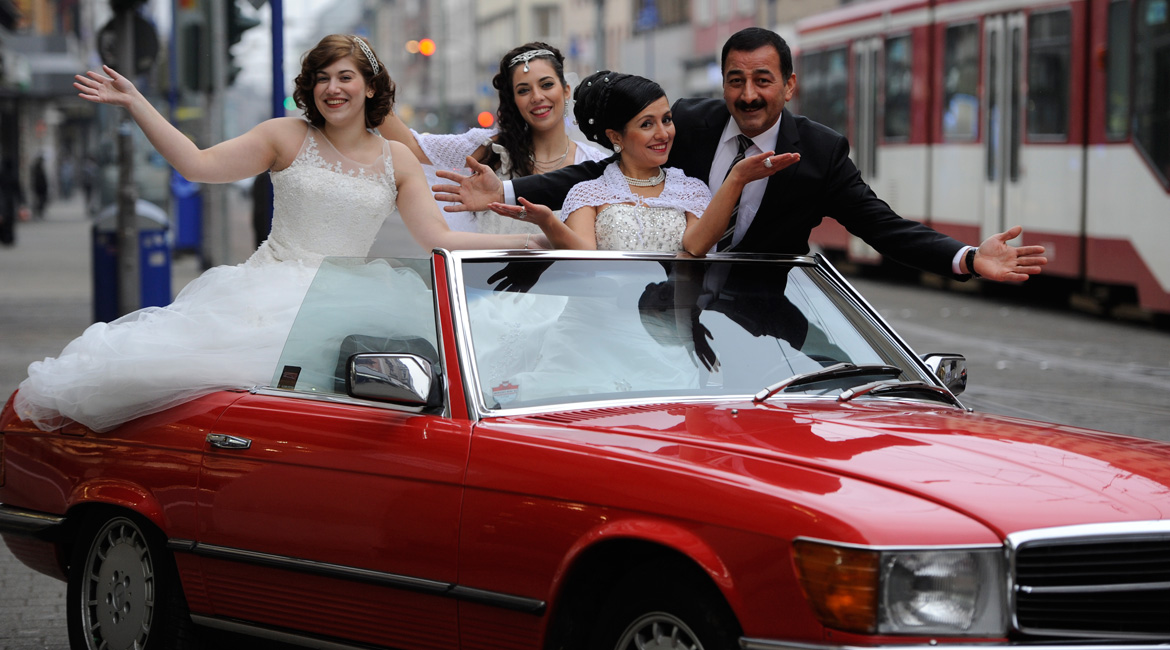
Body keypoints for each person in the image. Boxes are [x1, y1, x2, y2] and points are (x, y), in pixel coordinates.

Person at [13, 34, 541, 434]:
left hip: (353, 296)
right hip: (272, 288)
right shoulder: (285, 135)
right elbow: (197, 165)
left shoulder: (397, 157)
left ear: (371, 87)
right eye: (322, 78)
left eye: (345, 77)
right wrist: (138, 104)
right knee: (237, 408)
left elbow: (436, 238)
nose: (332, 89)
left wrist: (527, 240)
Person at [434, 27, 1047, 281]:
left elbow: (884, 227)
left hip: (761, 311)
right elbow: (596, 175)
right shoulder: (688, 124)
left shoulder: (821, 151)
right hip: (654, 302)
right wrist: (509, 194)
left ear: (789, 85)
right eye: (735, 79)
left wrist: (969, 257)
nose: (748, 95)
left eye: (762, 80)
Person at [485, 70, 796, 254]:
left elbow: (696, 246)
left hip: (668, 329)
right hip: (598, 325)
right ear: (616, 136)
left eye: (667, 119)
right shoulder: (588, 192)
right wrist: (547, 221)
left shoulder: (689, 189)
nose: (663, 133)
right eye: (647, 124)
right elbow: (586, 260)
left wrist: (737, 179)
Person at [377, 43, 607, 234]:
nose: (537, 97)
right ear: (514, 101)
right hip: (488, 286)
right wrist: (370, 81)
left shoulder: (595, 165)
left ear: (566, 90)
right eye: (523, 90)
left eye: (546, 85)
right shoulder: (490, 148)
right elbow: (411, 146)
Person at [31, 155, 49, 220]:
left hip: (40, 187)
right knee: (40, 200)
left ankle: (39, 212)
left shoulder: (38, 168)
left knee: (40, 200)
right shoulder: (37, 169)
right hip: (39, 187)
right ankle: (38, 212)